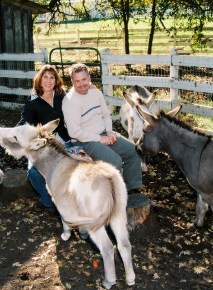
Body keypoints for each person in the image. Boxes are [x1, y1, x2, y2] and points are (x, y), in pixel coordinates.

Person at [62, 63, 151, 207]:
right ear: (72, 81)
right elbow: (74, 132)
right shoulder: (70, 101)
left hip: (103, 133)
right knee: (114, 161)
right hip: (85, 140)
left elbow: (106, 115)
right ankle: (114, 200)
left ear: (89, 78)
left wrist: (109, 131)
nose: (82, 85)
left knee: (134, 151)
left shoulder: (95, 93)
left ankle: (131, 189)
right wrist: (100, 138)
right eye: (77, 81)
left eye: (84, 80)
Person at [14, 65, 71, 218]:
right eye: (45, 76)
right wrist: (13, 134)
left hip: (64, 141)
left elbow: (76, 100)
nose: (48, 80)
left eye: (52, 77)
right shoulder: (33, 100)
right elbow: (25, 120)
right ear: (39, 80)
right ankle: (48, 201)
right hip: (43, 144)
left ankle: (61, 201)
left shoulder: (60, 94)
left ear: (56, 81)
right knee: (33, 172)